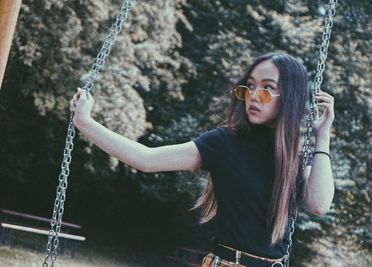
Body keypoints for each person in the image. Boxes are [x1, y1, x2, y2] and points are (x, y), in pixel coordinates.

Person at [70, 52, 335, 267]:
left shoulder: (294, 155)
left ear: (288, 98)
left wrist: (322, 137)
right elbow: (146, 159)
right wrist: (85, 122)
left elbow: (319, 204)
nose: (254, 95)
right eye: (250, 86)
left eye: (268, 89)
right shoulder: (224, 142)